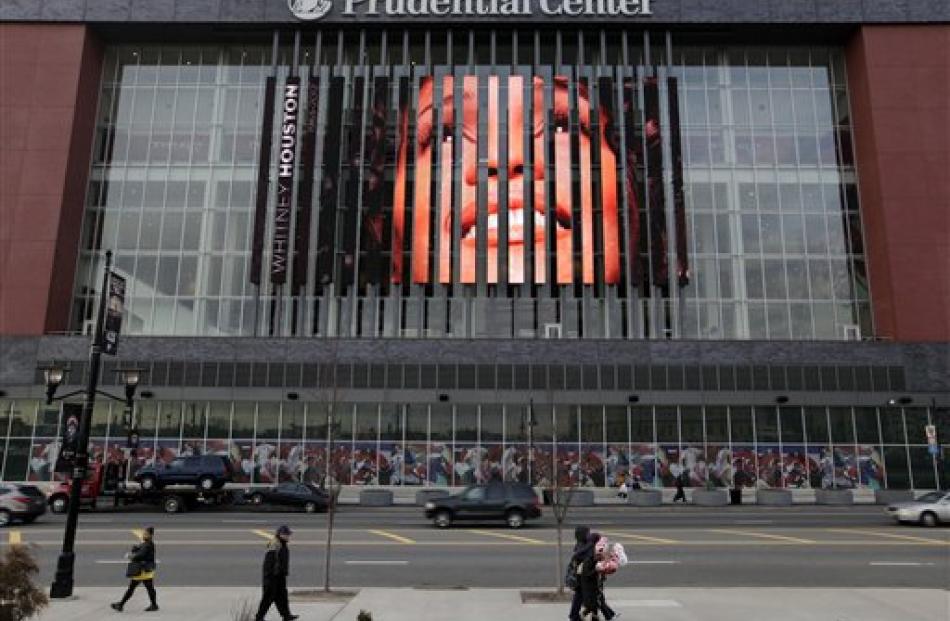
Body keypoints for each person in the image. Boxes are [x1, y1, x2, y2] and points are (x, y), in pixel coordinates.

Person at [255, 525, 298, 621]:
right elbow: (269, 562)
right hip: (272, 577)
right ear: (280, 534)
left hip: (280, 575)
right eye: (286, 534)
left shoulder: (282, 543)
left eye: (288, 534)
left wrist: (283, 572)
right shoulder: (275, 544)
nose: (288, 536)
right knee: (268, 598)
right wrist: (269, 577)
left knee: (282, 597)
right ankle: (259, 617)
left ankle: (286, 615)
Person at [111, 526, 158, 612]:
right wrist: (136, 548)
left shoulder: (147, 544)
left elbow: (140, 555)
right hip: (146, 570)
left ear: (151, 535)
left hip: (142, 571)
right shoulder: (148, 543)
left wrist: (130, 555)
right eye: (144, 533)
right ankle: (154, 605)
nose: (144, 535)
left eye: (146, 534)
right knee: (149, 588)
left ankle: (120, 605)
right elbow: (142, 552)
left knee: (132, 588)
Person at [567, 526, 594, 621]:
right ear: (582, 535)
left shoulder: (582, 544)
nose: (589, 535)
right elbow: (587, 557)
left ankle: (574, 615)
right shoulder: (582, 546)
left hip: (583, 576)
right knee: (584, 597)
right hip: (582, 577)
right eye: (587, 533)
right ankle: (574, 616)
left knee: (579, 597)